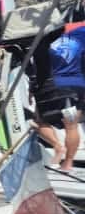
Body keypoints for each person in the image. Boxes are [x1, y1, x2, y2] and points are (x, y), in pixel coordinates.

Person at [35, 27, 85, 171]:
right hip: (71, 89)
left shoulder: (42, 43)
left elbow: (37, 69)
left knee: (39, 121)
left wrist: (33, 88)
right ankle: (68, 162)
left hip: (46, 88)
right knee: (71, 126)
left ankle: (57, 145)